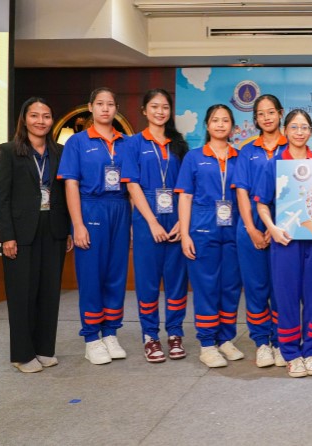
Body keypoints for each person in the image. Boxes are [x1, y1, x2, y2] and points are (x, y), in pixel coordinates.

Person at [0, 97, 73, 373]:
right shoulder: (9, 151)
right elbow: (2, 198)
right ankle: (23, 354)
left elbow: (65, 194)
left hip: (53, 228)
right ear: (24, 119)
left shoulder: (60, 152)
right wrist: (6, 236)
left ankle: (44, 349)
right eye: (35, 115)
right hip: (21, 232)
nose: (41, 121)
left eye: (46, 116)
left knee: (49, 292)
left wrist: (68, 229)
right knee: (22, 294)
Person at [256, 109, 312, 378]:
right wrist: (272, 229)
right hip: (285, 240)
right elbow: (262, 203)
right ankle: (290, 354)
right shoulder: (274, 164)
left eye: (304, 127)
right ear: (285, 131)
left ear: (311, 131)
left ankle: (311, 352)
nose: (299, 132)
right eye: (294, 127)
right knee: (286, 296)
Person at [58, 87, 132, 365]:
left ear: (116, 109)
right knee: (91, 275)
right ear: (90, 107)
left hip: (120, 208)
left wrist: (133, 222)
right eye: (100, 103)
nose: (105, 108)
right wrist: (77, 224)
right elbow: (71, 184)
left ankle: (110, 332)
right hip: (91, 207)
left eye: (110, 104)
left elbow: (132, 184)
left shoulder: (126, 142)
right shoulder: (77, 142)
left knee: (116, 274)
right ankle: (91, 337)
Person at [121, 88, 190, 363]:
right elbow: (132, 184)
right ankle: (150, 336)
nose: (160, 112)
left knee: (176, 280)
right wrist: (151, 222)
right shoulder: (133, 144)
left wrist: (182, 222)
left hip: (176, 215)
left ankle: (175, 333)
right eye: (154, 106)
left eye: (165, 107)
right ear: (144, 110)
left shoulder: (179, 144)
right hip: (146, 217)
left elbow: (187, 187)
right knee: (148, 280)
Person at [176, 104, 243, 368]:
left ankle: (225, 338)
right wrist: (184, 234)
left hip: (233, 225)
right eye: (215, 120)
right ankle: (206, 343)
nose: (220, 124)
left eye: (225, 120)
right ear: (207, 125)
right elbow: (185, 197)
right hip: (203, 225)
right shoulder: (193, 157)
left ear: (232, 127)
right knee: (206, 286)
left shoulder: (240, 157)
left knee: (230, 286)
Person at [235, 94, 288, 368]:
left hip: (284, 227)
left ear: (280, 113)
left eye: (271, 112)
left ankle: (280, 341)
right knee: (256, 287)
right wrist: (252, 228)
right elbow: (242, 191)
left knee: (281, 287)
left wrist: (276, 227)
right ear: (255, 119)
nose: (266, 118)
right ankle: (261, 342)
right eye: (261, 114)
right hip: (251, 226)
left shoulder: (291, 146)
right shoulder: (247, 151)